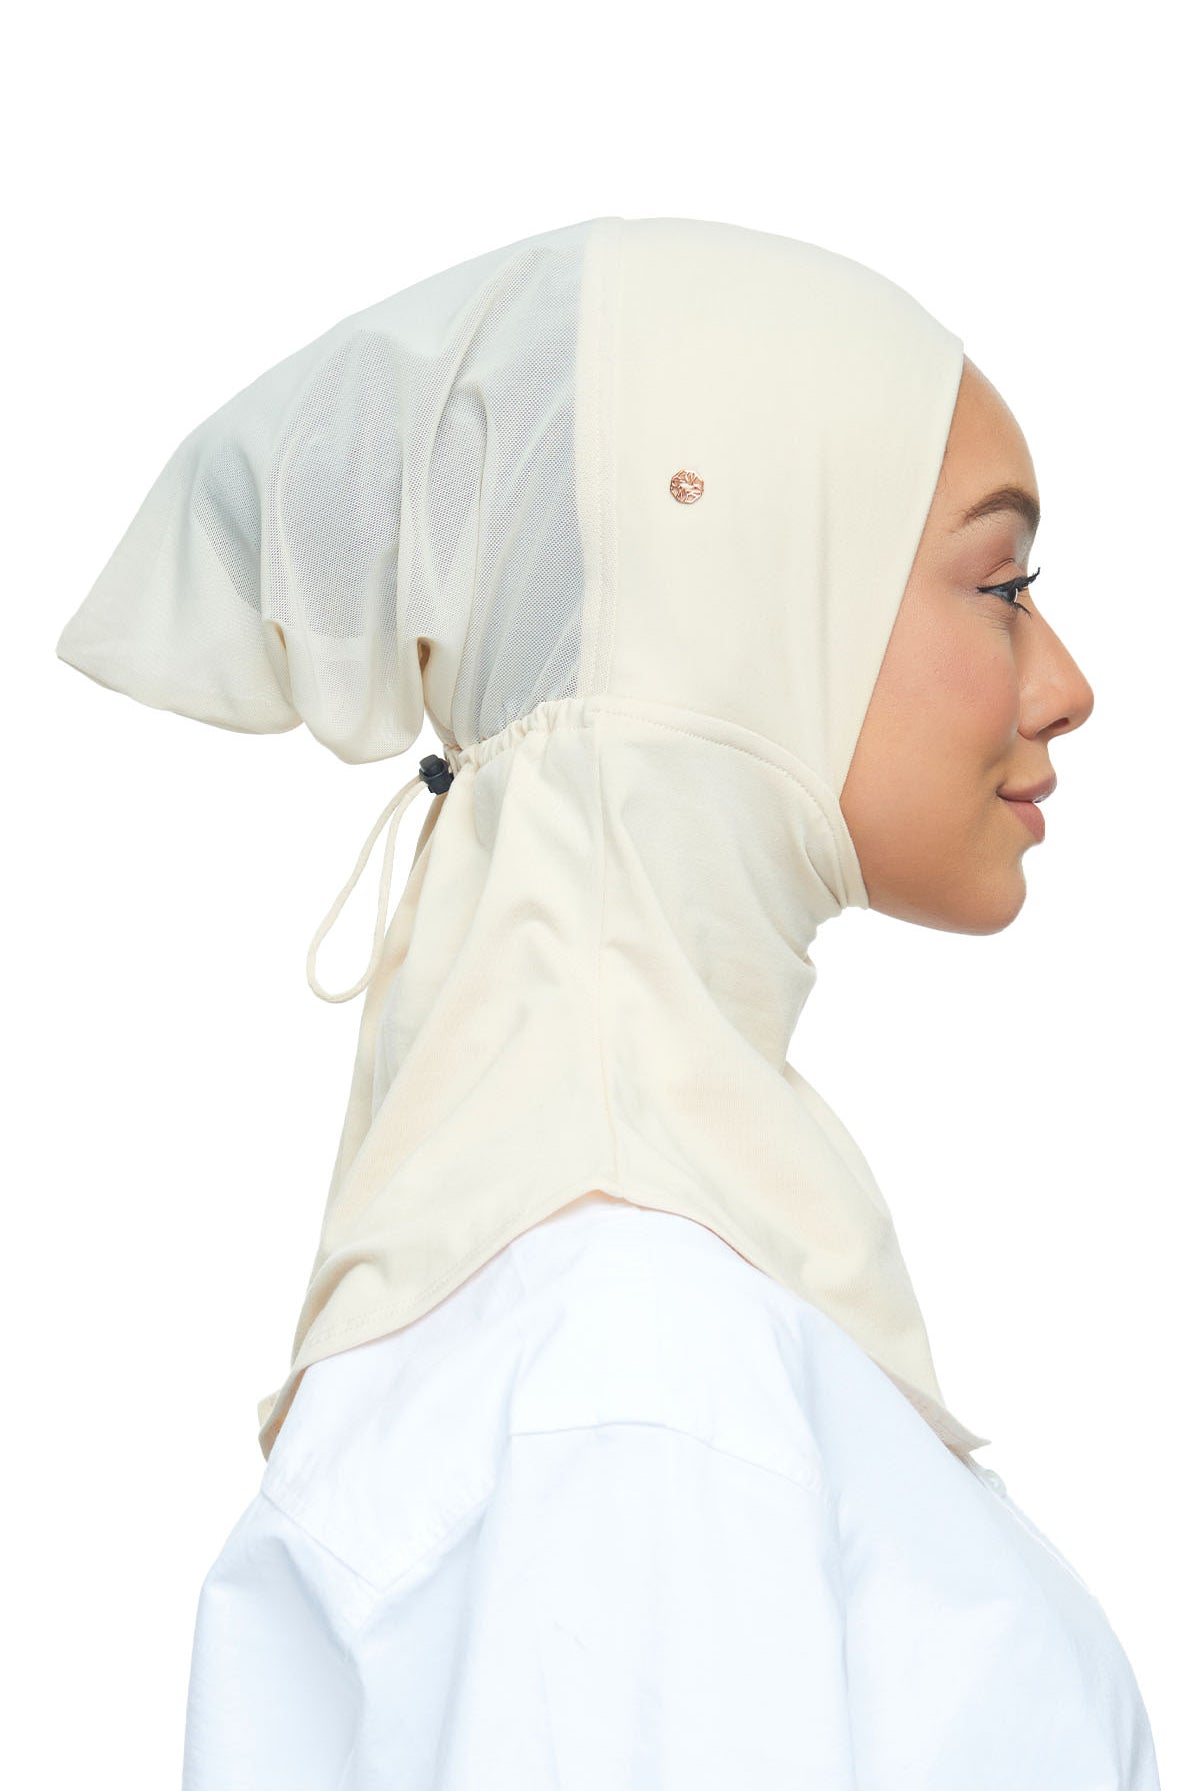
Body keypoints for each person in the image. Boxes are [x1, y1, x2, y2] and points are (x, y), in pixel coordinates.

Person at [55, 215, 1161, 1789]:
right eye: (1003, 582)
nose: (1066, 681)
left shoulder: (621, 1309)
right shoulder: (632, 1351)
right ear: (746, 606)